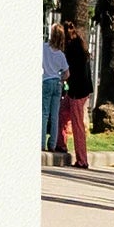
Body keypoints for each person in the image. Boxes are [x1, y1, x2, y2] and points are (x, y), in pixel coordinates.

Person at [60, 21, 93, 170]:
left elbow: (69, 71)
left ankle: (82, 160)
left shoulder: (71, 49)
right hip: (82, 89)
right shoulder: (81, 44)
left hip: (76, 91)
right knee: (62, 113)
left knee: (77, 125)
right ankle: (61, 143)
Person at [42, 23, 68, 154]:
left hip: (46, 81)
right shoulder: (61, 55)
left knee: (44, 113)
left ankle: (41, 142)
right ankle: (52, 144)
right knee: (54, 115)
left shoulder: (44, 48)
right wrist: (61, 79)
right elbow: (67, 73)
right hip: (57, 83)